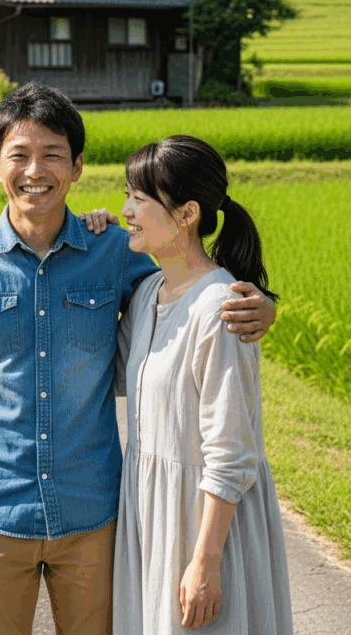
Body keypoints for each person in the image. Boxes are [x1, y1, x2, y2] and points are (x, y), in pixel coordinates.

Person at [0, 84, 275, 635]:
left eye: (52, 155)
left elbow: (193, 292)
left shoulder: (117, 252)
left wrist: (261, 305)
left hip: (94, 513)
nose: (34, 170)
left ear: (78, 166)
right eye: (18, 155)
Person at [82, 135, 292, 633]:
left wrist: (207, 562)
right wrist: (93, 244)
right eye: (126, 195)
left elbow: (230, 451)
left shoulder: (222, 308)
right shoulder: (149, 291)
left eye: (139, 198)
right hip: (153, 511)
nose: (125, 209)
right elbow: (110, 373)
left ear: (186, 213)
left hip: (202, 523)